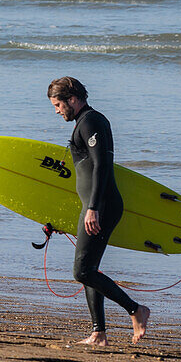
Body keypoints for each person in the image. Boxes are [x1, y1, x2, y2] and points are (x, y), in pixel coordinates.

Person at [47, 76, 150, 348]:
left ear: (72, 99)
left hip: (101, 205)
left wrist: (93, 208)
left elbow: (102, 166)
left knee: (82, 271)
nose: (57, 111)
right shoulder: (83, 123)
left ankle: (135, 310)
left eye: (58, 104)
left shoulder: (92, 121)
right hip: (93, 205)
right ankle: (98, 334)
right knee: (90, 269)